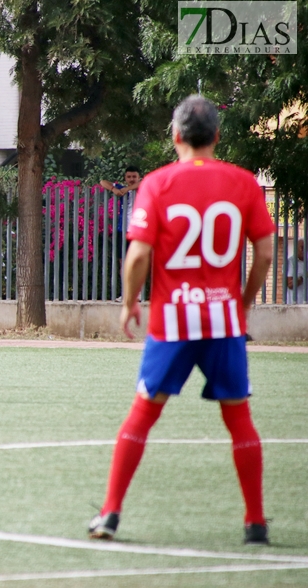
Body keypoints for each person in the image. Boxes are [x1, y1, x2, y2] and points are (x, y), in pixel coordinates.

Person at [88, 96, 275, 545]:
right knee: (240, 420)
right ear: (216, 136)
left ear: (175, 136)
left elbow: (137, 255)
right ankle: (255, 522)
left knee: (142, 416)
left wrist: (130, 301)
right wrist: (242, 303)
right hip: (223, 323)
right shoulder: (244, 183)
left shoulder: (157, 184)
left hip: (173, 323)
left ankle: (110, 514)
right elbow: (266, 252)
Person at [101, 167, 143, 300]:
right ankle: (127, 293)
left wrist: (128, 189)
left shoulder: (142, 188)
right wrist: (114, 189)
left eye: (134, 177)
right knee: (123, 262)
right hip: (122, 230)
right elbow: (103, 181)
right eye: (129, 177)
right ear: (125, 178)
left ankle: (138, 292)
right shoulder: (121, 188)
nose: (131, 179)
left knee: (138, 262)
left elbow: (144, 182)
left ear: (138, 177)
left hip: (137, 230)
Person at [286, 238, 305, 304]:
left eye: (305, 247)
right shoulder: (290, 262)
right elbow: (290, 285)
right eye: (301, 247)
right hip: (295, 305)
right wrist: (303, 277)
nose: (302, 250)